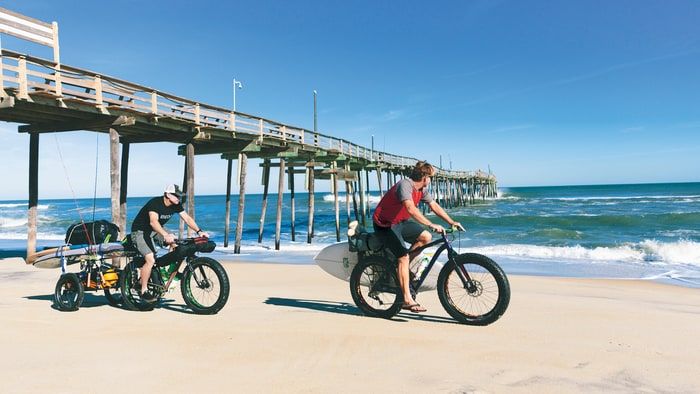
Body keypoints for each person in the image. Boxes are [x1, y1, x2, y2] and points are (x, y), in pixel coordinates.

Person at [372, 161, 464, 313]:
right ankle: (407, 300)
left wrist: (451, 221)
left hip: (401, 222)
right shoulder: (405, 185)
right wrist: (430, 224)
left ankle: (402, 268)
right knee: (403, 257)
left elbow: (434, 206)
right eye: (431, 177)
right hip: (385, 224)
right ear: (425, 176)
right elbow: (410, 208)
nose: (431, 181)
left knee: (425, 237)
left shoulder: (422, 190)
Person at [130, 184, 208, 301]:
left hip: (156, 229)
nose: (178, 198)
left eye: (179, 196)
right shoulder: (155, 203)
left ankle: (168, 271)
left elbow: (187, 218)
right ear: (167, 194)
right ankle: (143, 289)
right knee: (150, 259)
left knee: (177, 245)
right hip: (140, 231)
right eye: (176, 195)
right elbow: (153, 222)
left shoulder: (176, 205)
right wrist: (165, 235)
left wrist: (199, 231)